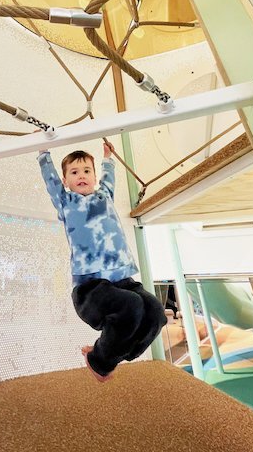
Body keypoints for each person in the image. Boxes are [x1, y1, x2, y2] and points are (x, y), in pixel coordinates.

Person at [37, 142, 167, 382]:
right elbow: (50, 181)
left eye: (87, 171)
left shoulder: (105, 194)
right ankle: (99, 362)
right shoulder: (66, 202)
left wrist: (108, 157)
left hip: (123, 279)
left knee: (156, 313)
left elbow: (110, 176)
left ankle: (113, 355)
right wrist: (43, 152)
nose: (82, 176)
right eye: (74, 173)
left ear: (95, 177)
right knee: (131, 306)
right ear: (65, 181)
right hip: (92, 287)